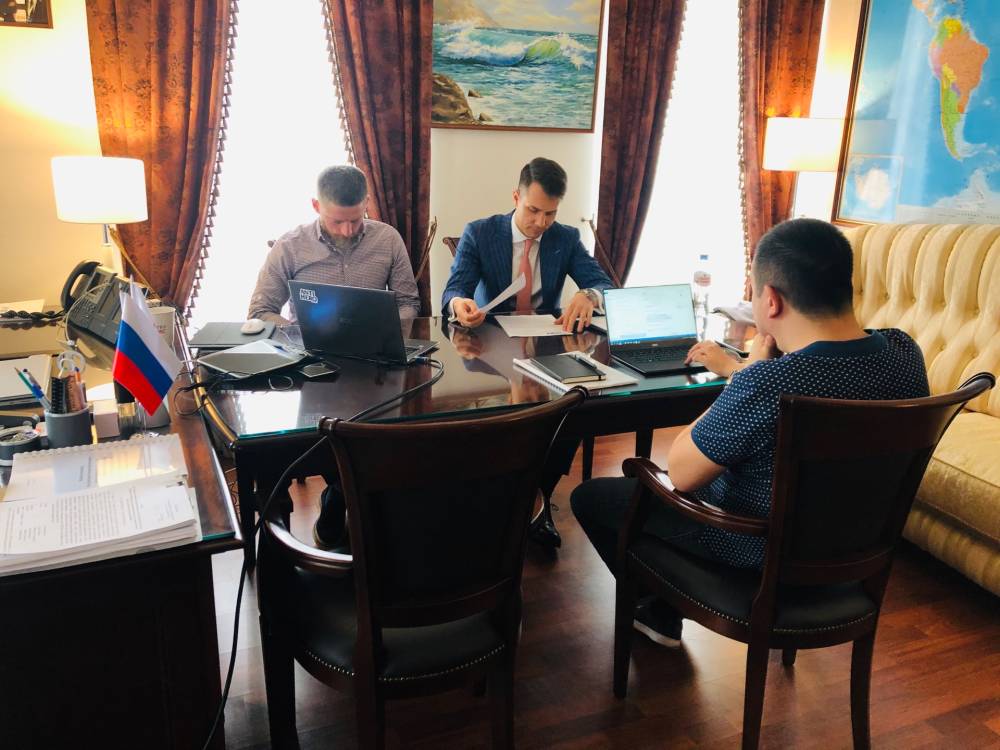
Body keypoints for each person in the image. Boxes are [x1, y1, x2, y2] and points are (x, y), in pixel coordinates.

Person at [570, 218, 930, 647]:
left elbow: (681, 472)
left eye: (754, 293)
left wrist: (746, 374)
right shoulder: (905, 352)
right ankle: (661, 608)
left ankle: (657, 609)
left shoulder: (768, 382)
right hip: (856, 553)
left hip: (756, 551)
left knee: (591, 498)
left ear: (771, 301)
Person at [442, 157, 614, 333]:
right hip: (490, 336)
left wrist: (589, 296)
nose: (541, 222)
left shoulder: (566, 238)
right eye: (533, 210)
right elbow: (455, 289)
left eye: (550, 213)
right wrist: (458, 304)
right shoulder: (478, 234)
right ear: (516, 198)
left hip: (547, 339)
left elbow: (604, 286)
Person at [248, 165, 420, 325]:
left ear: (366, 203)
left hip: (375, 343)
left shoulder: (387, 239)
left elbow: (407, 302)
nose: (347, 231)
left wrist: (387, 331)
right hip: (306, 346)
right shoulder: (289, 246)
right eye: (337, 222)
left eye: (355, 220)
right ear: (316, 206)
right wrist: (297, 335)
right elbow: (260, 311)